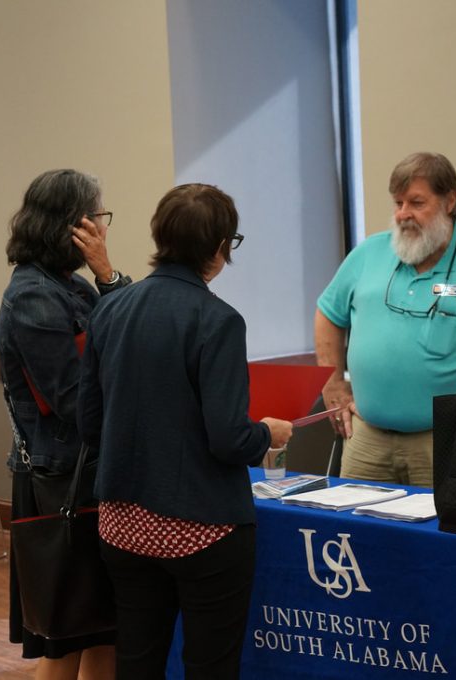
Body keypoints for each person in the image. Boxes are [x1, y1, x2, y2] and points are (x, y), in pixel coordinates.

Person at [76, 183, 293, 680]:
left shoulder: (110, 309)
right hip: (202, 526)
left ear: (161, 236)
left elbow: (90, 423)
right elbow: (228, 438)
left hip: (122, 521)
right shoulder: (217, 321)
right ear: (219, 249)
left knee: (137, 659)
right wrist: (267, 434)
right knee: (209, 666)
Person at [0, 168, 131, 680]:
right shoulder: (33, 297)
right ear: (72, 225)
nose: (103, 228)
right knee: (72, 632)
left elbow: (125, 335)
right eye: (99, 217)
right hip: (61, 479)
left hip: (88, 467)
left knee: (100, 629)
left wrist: (107, 274)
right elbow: (75, 399)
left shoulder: (71, 286)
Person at [315, 152, 456, 486]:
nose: (403, 214)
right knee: (359, 535)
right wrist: (333, 381)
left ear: (449, 201)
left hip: (445, 443)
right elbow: (328, 313)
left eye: (416, 203)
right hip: (366, 437)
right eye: (398, 203)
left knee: (441, 537)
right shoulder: (369, 253)